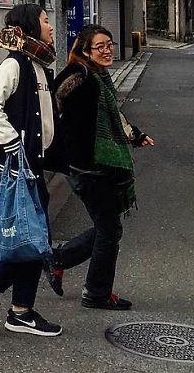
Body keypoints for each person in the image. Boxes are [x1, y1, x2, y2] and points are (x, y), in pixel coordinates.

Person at [0, 3, 66, 336]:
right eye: (46, 21)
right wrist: (12, 144)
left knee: (34, 237)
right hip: (14, 167)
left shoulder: (39, 66)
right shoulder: (15, 64)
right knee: (29, 238)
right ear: (31, 26)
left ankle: (19, 310)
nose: (51, 26)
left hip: (33, 164)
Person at [42, 24, 154, 310]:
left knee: (108, 227)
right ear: (84, 50)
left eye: (110, 45)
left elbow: (111, 115)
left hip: (96, 167)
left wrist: (135, 134)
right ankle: (95, 292)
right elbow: (55, 112)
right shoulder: (78, 77)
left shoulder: (99, 77)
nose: (106, 51)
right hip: (87, 168)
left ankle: (60, 260)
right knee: (109, 229)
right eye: (99, 46)